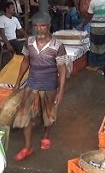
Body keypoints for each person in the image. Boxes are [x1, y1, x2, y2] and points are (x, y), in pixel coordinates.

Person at [12, 13, 69, 161]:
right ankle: (27, 147)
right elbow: (25, 61)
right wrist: (18, 81)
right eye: (36, 26)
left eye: (42, 25)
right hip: (32, 83)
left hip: (49, 84)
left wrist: (61, 91)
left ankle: (46, 135)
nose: (39, 29)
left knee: (48, 112)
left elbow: (62, 69)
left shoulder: (57, 45)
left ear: (49, 26)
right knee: (25, 114)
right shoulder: (29, 42)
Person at [79, 0, 105, 71]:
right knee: (104, 45)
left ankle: (94, 65)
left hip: (95, 27)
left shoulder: (93, 2)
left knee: (94, 46)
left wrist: (83, 25)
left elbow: (89, 16)